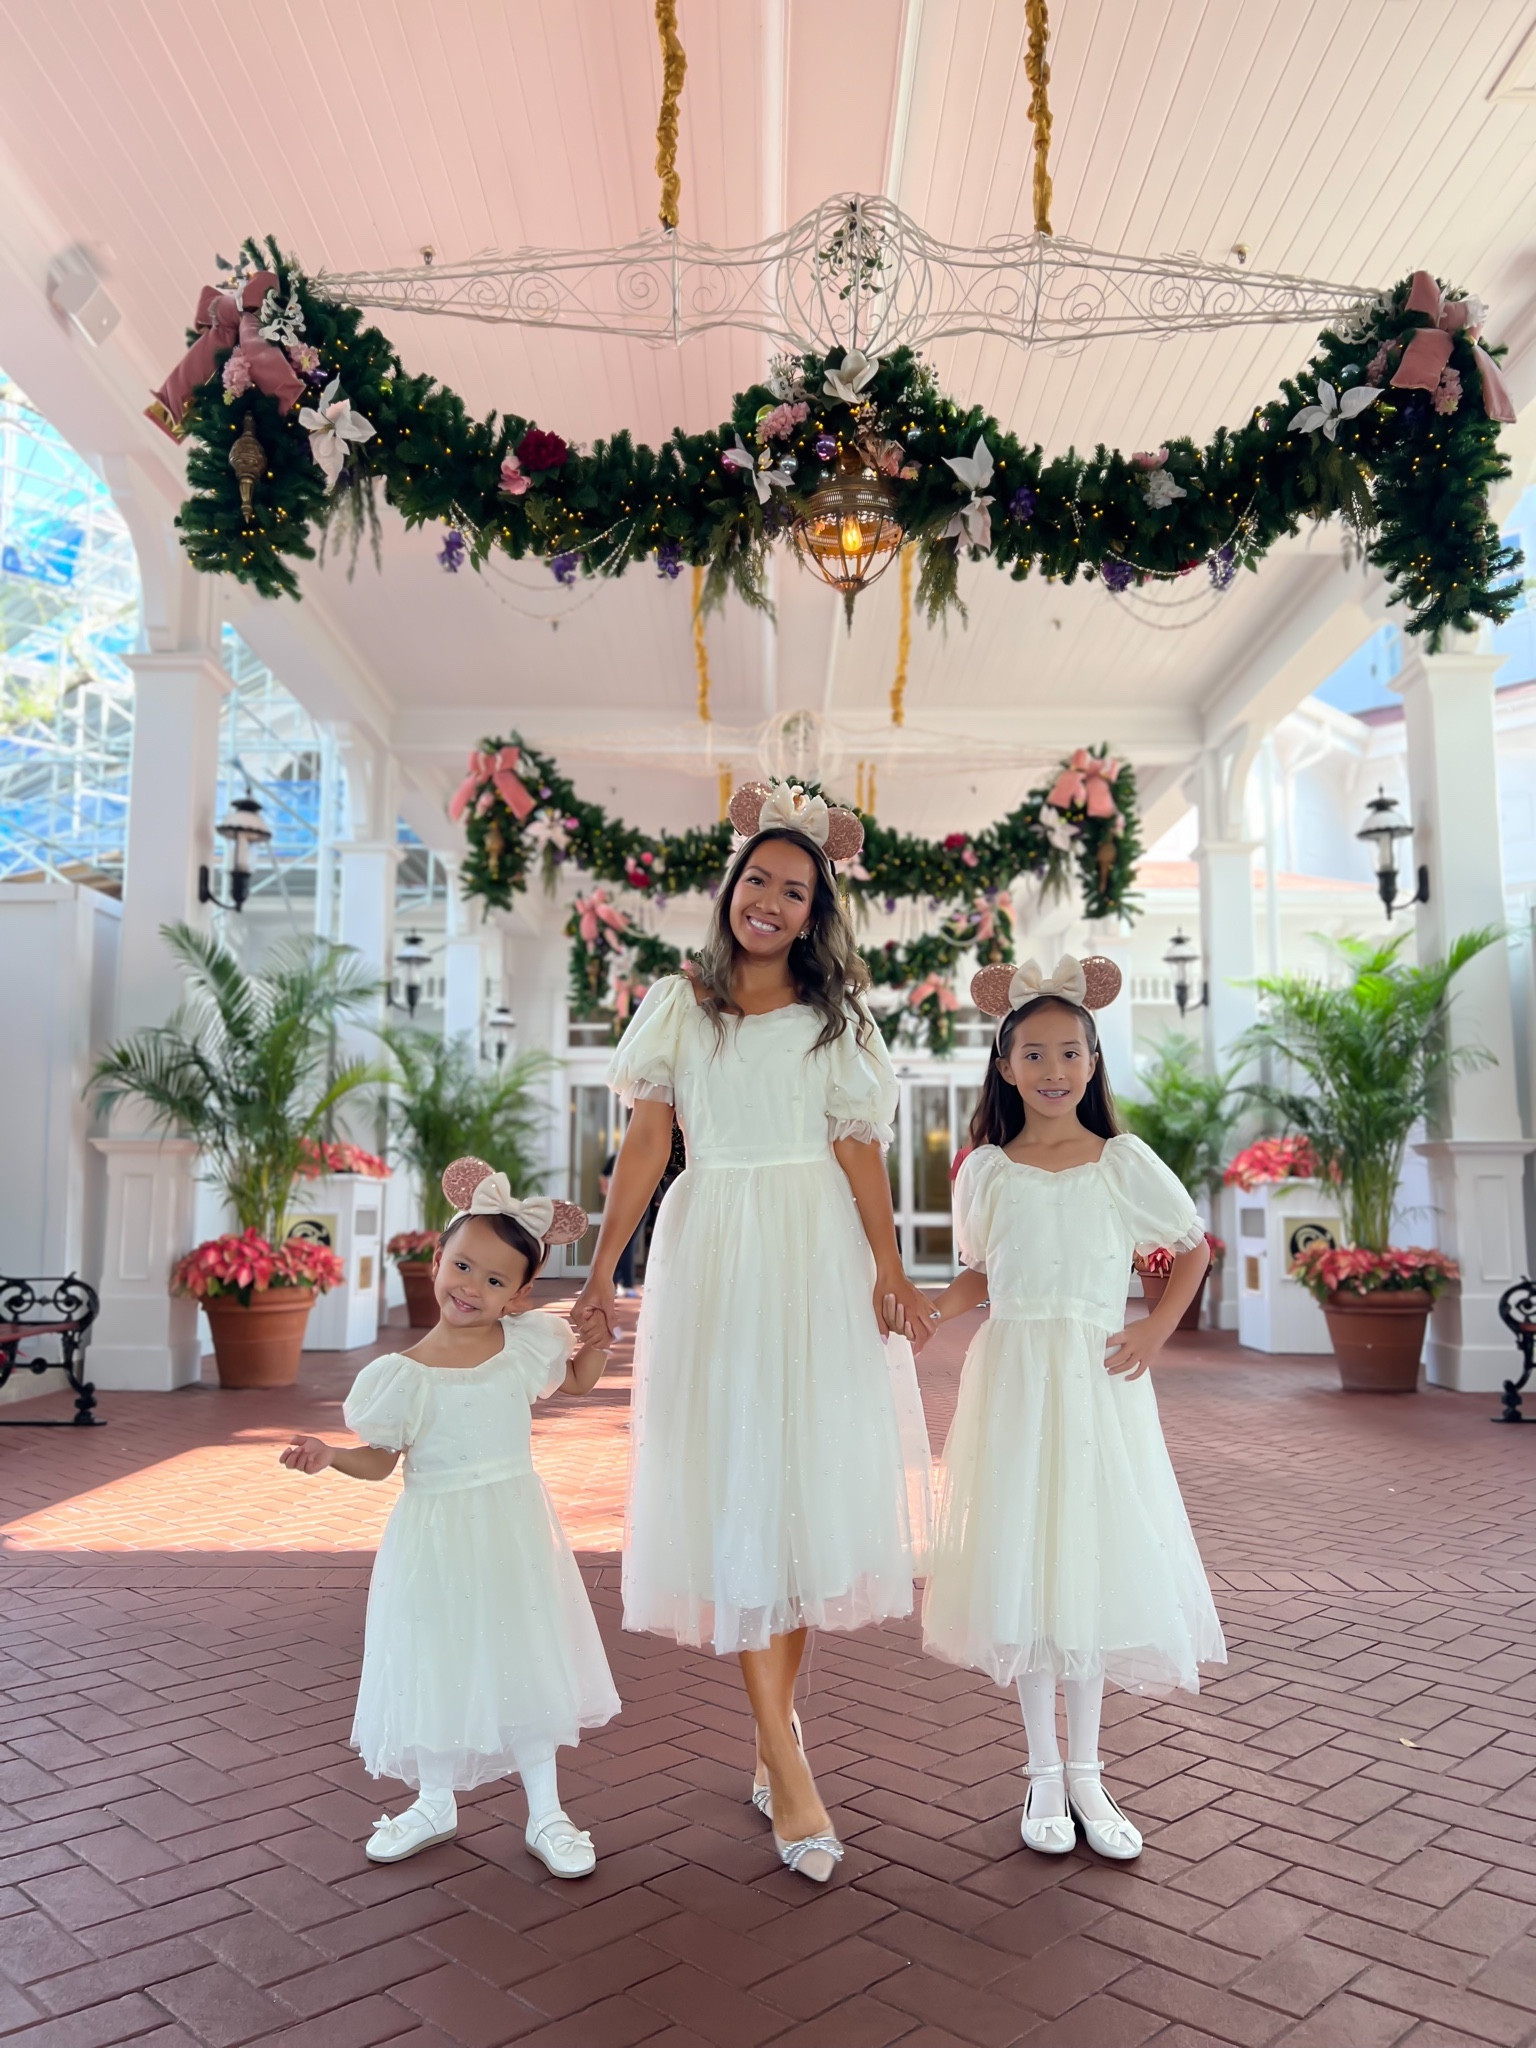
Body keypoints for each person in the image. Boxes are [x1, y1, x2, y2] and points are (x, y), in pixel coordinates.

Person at [571, 778, 935, 1885]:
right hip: (716, 1252)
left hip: (815, 1254)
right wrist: (600, 1273)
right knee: (739, 1485)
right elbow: (646, 1147)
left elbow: (858, 1148)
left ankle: (779, 1745)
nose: (769, 902)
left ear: (816, 913)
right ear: (731, 886)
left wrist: (889, 1265)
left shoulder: (837, 1020)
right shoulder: (679, 1006)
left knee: (798, 1494)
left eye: (794, 890)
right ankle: (787, 1756)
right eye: (757, 881)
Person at [916, 956, 1226, 1862]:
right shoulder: (988, 1171)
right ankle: (1043, 1772)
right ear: (1005, 1066)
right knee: (1025, 1562)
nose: (1052, 1070)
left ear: (1093, 1064)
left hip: (1096, 1380)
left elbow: (1191, 1248)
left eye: (1069, 1053)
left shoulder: (1121, 1162)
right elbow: (982, 1274)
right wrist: (930, 1310)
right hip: (1014, 1378)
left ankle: (1089, 1772)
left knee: (1084, 1561)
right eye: (1033, 1054)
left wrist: (1156, 1329)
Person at [280, 1158, 620, 1876]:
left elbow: (576, 1382)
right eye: (462, 1267)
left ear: (519, 1294)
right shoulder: (399, 1377)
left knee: (524, 1652)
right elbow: (382, 1461)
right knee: (436, 1656)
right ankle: (435, 1801)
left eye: (495, 1281)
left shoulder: (523, 1345)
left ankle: (547, 1813)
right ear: (437, 1260)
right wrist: (331, 1455)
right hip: (434, 1536)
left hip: (512, 1528)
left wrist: (595, 1343)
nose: (471, 1287)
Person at [598, 1150, 643, 1295]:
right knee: (627, 1243)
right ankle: (625, 1282)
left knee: (622, 1243)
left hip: (624, 1201)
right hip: (636, 1202)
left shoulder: (620, 1155)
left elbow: (603, 1176)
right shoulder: (640, 1155)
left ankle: (615, 1280)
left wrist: (608, 1193)